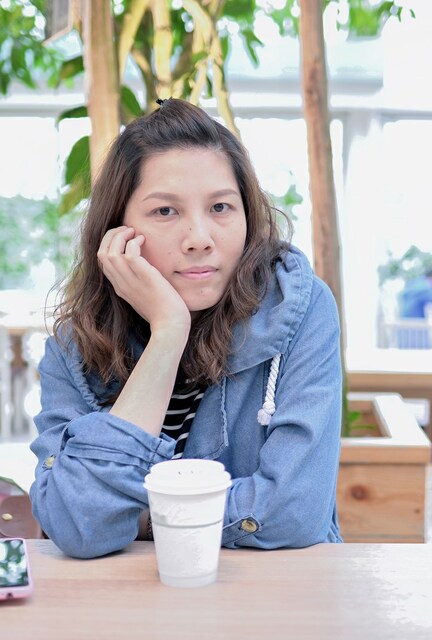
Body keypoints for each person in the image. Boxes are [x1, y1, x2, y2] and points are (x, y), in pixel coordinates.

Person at [29, 98, 343, 559]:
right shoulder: (74, 345)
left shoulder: (297, 307)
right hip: (123, 596)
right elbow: (80, 522)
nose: (199, 238)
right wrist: (168, 332)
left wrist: (143, 516)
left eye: (220, 207)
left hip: (271, 590)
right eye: (165, 211)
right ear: (118, 230)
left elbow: (294, 511)